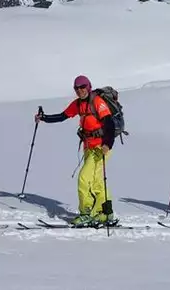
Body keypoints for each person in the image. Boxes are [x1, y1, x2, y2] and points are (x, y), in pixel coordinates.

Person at [36, 75, 116, 227]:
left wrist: (107, 144)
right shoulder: (78, 104)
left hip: (100, 148)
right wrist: (44, 118)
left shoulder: (97, 102)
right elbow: (62, 116)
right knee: (97, 182)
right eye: (76, 88)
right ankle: (106, 213)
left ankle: (86, 213)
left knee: (84, 179)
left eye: (82, 87)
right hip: (89, 147)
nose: (80, 90)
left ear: (88, 87)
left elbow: (109, 124)